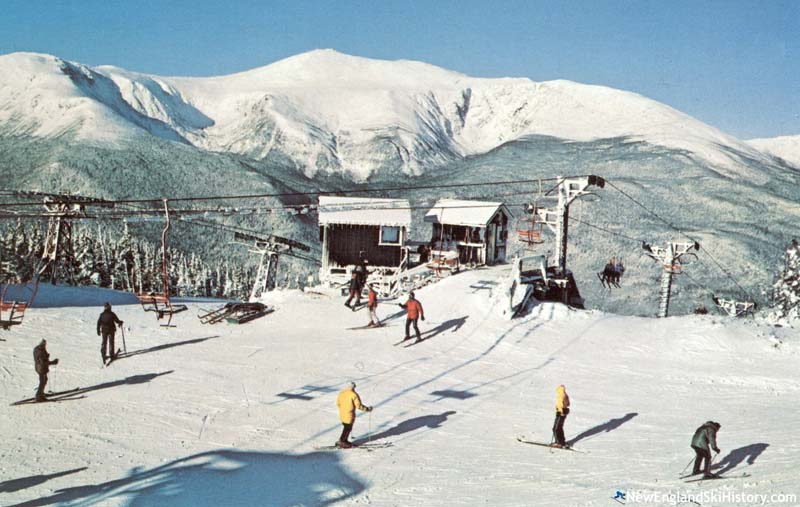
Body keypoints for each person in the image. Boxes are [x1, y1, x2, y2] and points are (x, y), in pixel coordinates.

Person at [336, 381, 372, 448]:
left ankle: (344, 440)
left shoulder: (341, 393)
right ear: (352, 387)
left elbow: (338, 403)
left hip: (342, 413)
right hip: (349, 414)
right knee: (347, 428)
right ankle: (342, 441)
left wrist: (343, 409)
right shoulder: (353, 394)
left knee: (346, 427)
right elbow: (359, 406)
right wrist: (367, 409)